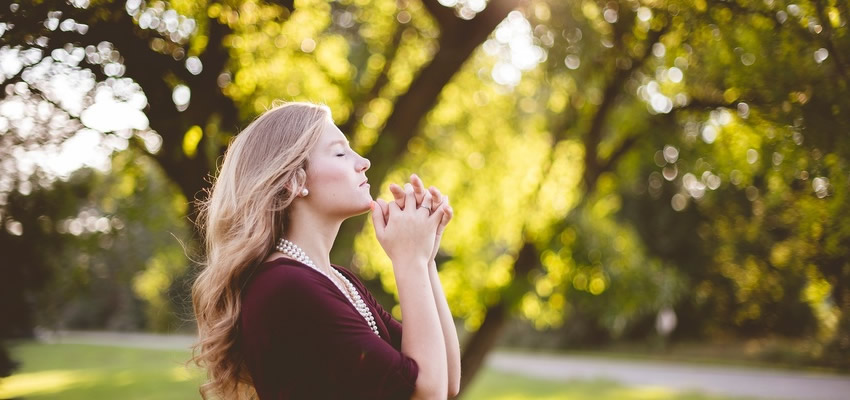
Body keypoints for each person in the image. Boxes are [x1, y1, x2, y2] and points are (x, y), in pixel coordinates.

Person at [190, 101, 461, 399]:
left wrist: (425, 257)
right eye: (341, 152)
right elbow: (428, 393)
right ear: (294, 180)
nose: (363, 162)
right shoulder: (286, 287)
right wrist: (410, 259)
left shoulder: (338, 280)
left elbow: (446, 382)